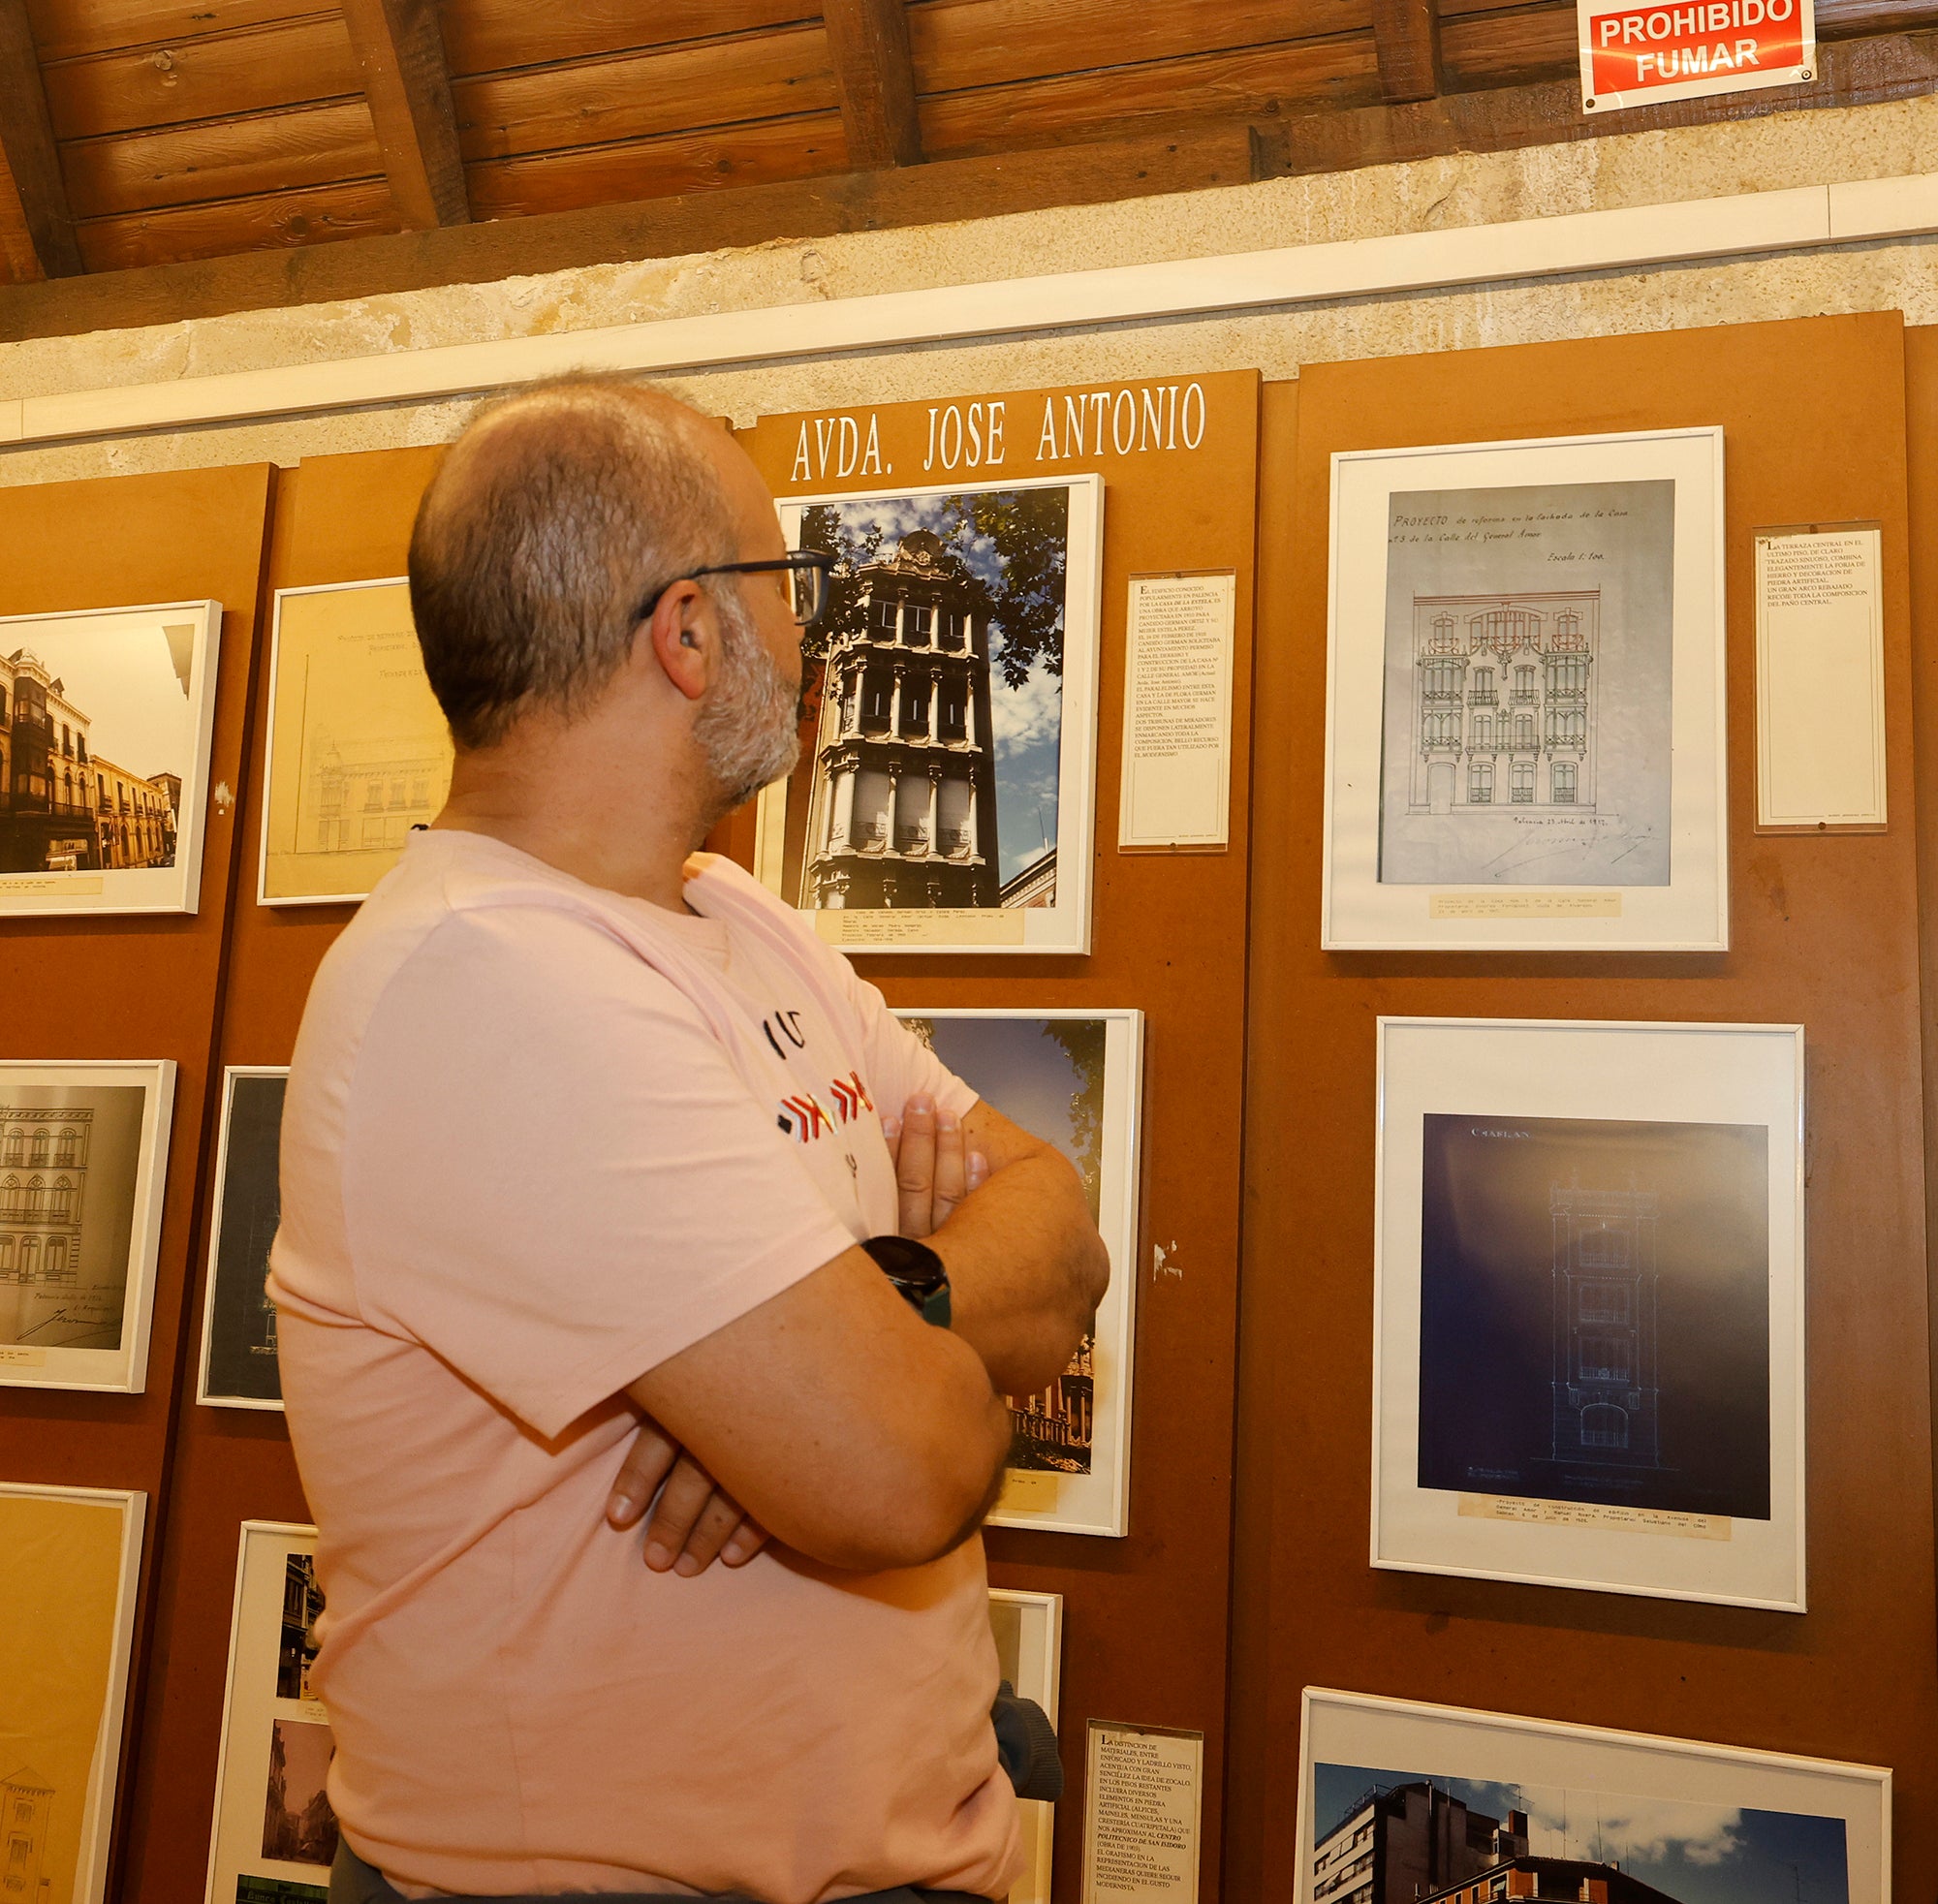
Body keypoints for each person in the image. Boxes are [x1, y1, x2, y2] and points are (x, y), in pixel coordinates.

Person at [268, 373, 1110, 1904]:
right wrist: (860, 1385)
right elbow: (904, 1465)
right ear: (689, 632)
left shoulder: (737, 914)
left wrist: (881, 1307)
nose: (806, 634)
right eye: (787, 583)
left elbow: (1063, 1232)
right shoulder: (485, 976)